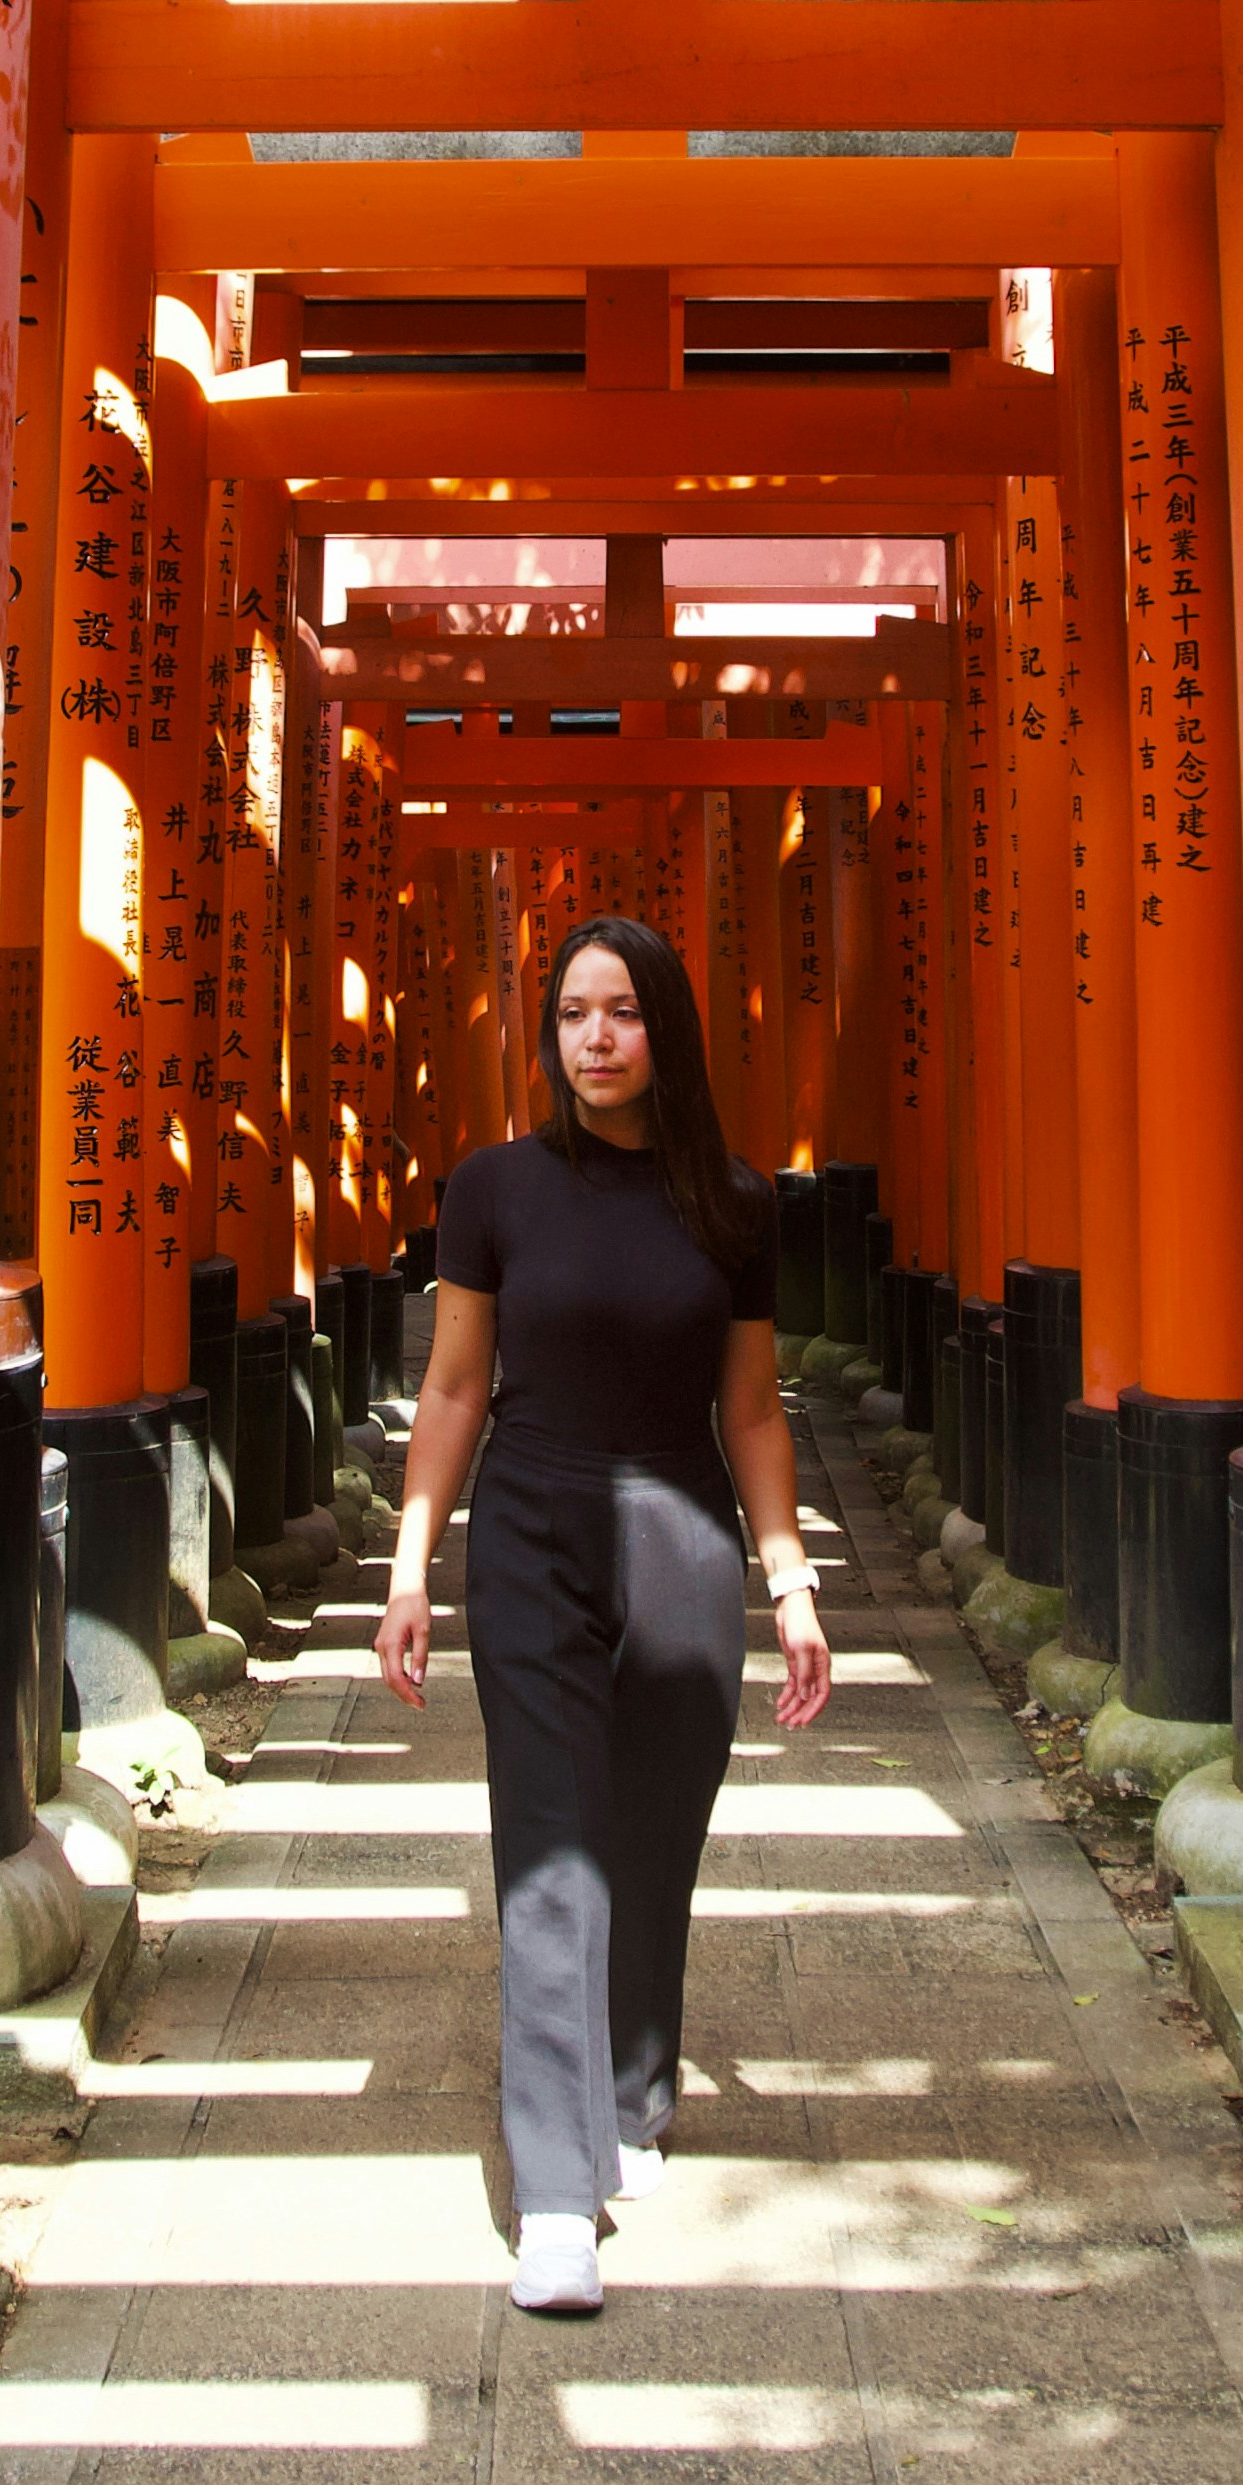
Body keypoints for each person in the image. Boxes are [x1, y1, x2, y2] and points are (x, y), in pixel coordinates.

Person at [377, 909, 831, 2317]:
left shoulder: (735, 1202)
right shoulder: (494, 1189)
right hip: (530, 1526)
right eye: (572, 1012)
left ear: (664, 1029)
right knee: (551, 1849)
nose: (593, 1038)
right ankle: (555, 2193)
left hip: (683, 1534)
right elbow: (454, 1387)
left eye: (620, 1011)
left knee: (652, 1835)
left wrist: (791, 1577)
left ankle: (633, 2093)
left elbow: (750, 1407)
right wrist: (409, 1559)